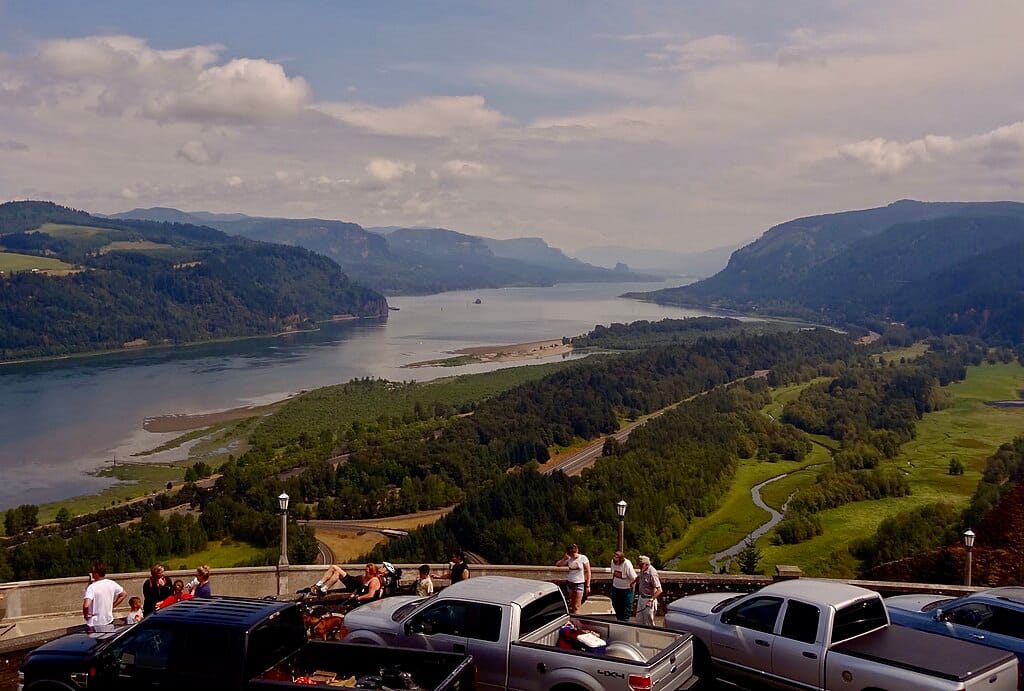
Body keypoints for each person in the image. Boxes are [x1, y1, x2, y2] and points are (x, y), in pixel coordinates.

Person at [83, 563, 126, 633]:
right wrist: (112, 606)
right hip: (108, 620)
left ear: (97, 573)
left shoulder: (92, 587)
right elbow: (123, 594)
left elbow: (86, 605)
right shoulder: (111, 583)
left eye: (93, 572)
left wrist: (86, 615)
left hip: (94, 623)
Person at [555, 543, 591, 614]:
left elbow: (588, 572)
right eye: (571, 554)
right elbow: (558, 565)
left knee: (577, 606)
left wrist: (588, 585)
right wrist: (564, 559)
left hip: (579, 583)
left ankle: (577, 620)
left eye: (574, 553)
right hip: (570, 582)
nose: (573, 555)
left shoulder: (583, 558)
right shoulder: (569, 558)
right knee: (572, 604)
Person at [610, 550, 638, 622]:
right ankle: (619, 620)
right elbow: (613, 574)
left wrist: (631, 585)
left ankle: (625, 621)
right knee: (615, 604)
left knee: (626, 607)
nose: (615, 560)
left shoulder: (627, 564)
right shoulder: (613, 562)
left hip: (626, 589)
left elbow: (635, 578)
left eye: (617, 558)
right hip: (616, 587)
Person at [635, 555, 662, 626]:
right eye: (639, 565)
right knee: (639, 621)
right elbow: (639, 577)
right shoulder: (643, 570)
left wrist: (651, 600)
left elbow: (659, 590)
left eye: (641, 565)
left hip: (649, 599)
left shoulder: (652, 573)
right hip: (641, 598)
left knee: (648, 623)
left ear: (647, 564)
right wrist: (632, 582)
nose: (639, 567)